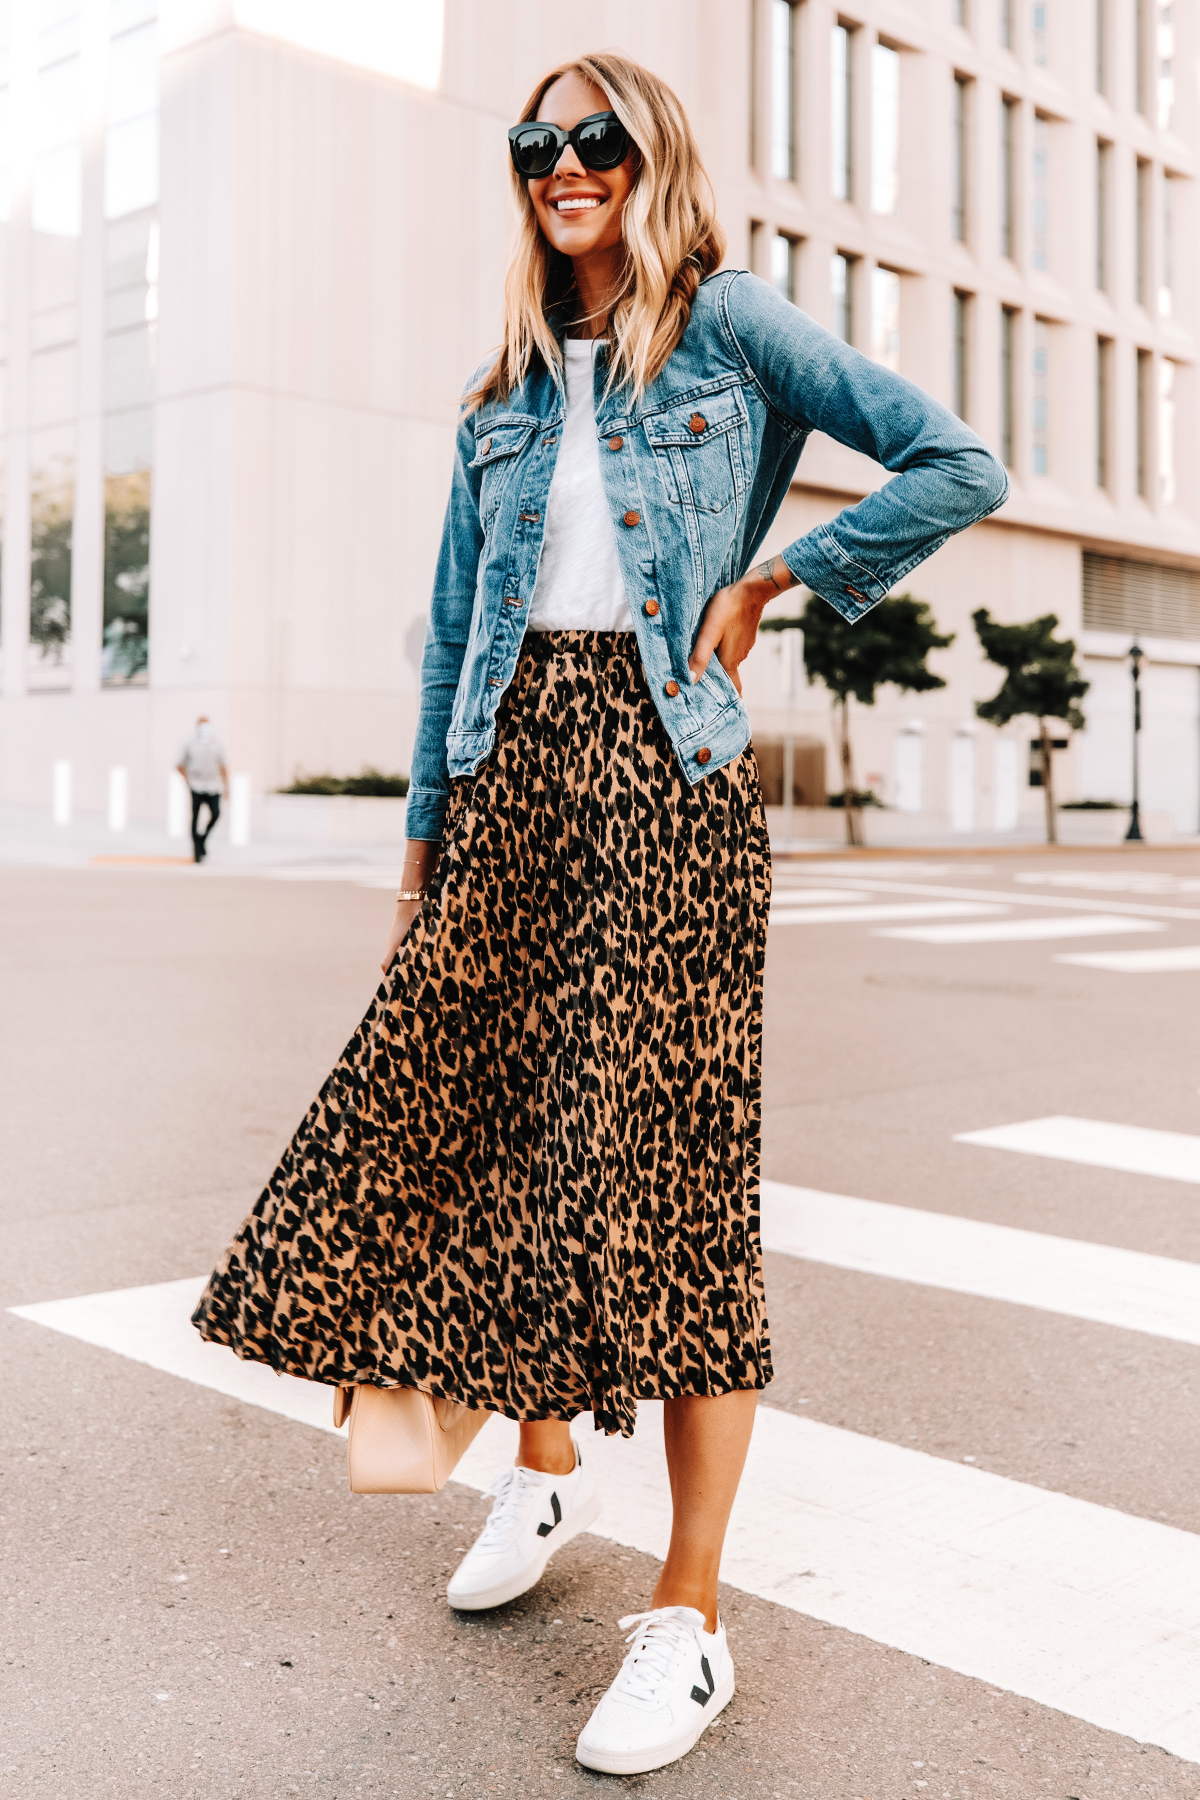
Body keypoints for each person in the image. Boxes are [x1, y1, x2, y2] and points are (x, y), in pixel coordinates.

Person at [192, 52, 1006, 1777]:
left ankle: (692, 1615)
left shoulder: (735, 325)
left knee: (674, 1182)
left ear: (651, 155)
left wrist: (788, 578)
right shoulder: (498, 385)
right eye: (538, 144)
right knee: (478, 1148)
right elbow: (446, 651)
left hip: (666, 790)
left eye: (597, 139)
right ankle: (544, 1471)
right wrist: (420, 857)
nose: (566, 165)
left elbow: (959, 460)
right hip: (507, 790)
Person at [176, 716, 228, 863]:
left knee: (216, 814)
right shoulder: (189, 743)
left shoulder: (216, 744)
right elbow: (178, 764)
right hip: (196, 786)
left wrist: (226, 786)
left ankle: (202, 838)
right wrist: (188, 779)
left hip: (214, 786)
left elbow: (224, 766)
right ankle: (197, 851)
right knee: (195, 817)